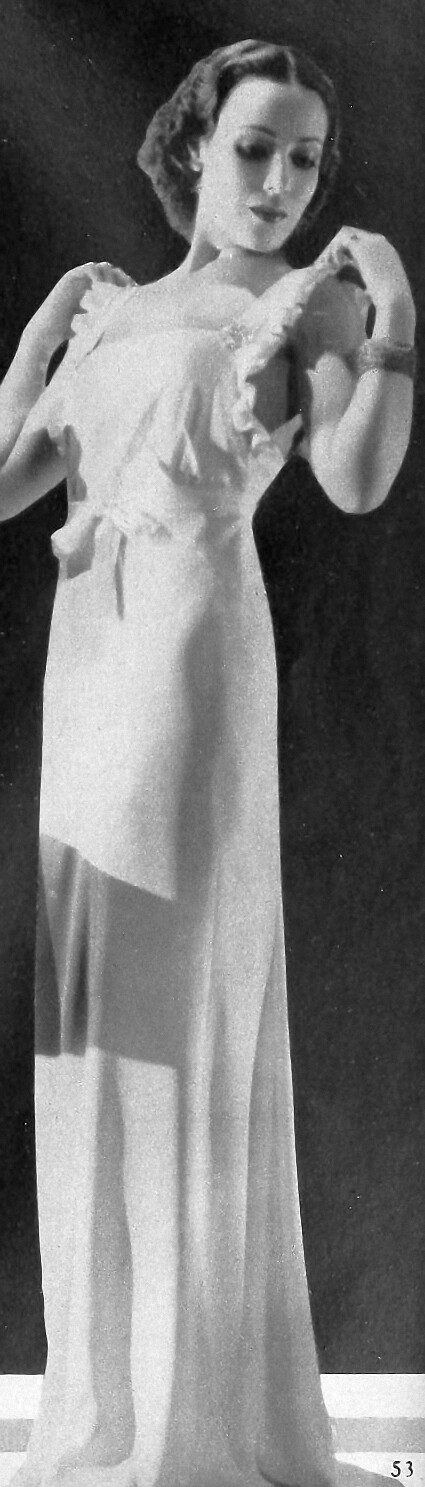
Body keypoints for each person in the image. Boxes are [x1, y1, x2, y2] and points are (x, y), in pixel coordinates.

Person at [0, 36, 416, 1487]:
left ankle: (195, 1413)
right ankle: (107, 1404)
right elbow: (7, 483)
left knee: (174, 994)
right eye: (255, 148)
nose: (283, 181)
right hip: (87, 669)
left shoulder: (308, 300)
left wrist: (395, 323)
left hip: (187, 659)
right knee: (92, 1008)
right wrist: (38, 345)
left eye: (305, 157)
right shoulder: (118, 312)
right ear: (191, 146)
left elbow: (355, 477)